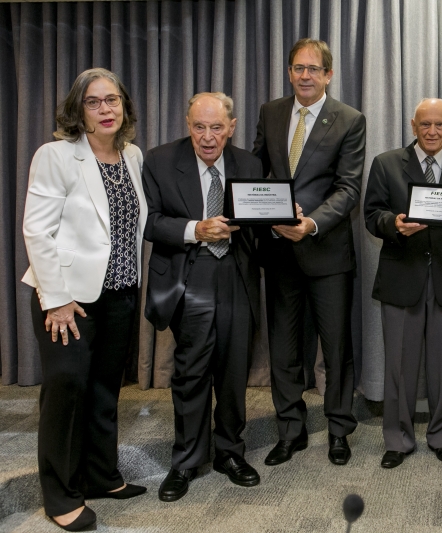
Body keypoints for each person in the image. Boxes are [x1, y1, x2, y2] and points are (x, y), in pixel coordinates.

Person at [22, 68, 148, 531]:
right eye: (93, 102)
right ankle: (59, 494)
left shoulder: (132, 156)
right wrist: (54, 299)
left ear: (125, 106)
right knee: (67, 389)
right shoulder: (55, 156)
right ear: (78, 110)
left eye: (112, 100)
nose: (105, 109)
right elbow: (37, 229)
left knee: (103, 391)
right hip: (67, 299)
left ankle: (99, 475)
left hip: (118, 293)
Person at [142, 92, 262, 502]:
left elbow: (258, 221)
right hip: (188, 273)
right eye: (199, 127)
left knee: (232, 370)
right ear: (187, 125)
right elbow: (152, 222)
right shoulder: (159, 160)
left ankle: (230, 452)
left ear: (231, 127)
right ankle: (187, 460)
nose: (207, 137)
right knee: (191, 371)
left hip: (235, 275)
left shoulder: (250, 164)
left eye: (216, 128)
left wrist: (281, 214)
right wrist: (196, 229)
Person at [252, 38, 366, 466]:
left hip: (327, 254)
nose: (305, 75)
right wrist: (263, 214)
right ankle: (290, 431)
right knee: (283, 349)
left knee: (336, 350)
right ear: (289, 72)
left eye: (313, 69)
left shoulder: (350, 120)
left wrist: (311, 223)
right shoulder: (271, 112)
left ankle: (339, 430)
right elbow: (256, 170)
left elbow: (349, 186)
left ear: (328, 75)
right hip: (279, 251)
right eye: (298, 68)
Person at [364, 97, 442, 468]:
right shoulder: (385, 163)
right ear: (413, 126)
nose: (432, 132)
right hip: (402, 276)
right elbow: (371, 215)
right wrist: (393, 225)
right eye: (425, 125)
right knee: (399, 365)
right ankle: (397, 440)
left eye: (439, 125)